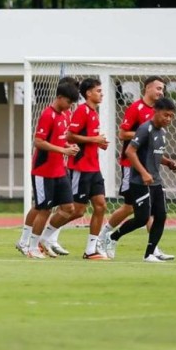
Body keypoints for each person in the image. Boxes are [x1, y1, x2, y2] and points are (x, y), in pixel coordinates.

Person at [100, 76, 173, 260]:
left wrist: (168, 161)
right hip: (131, 166)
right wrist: (144, 134)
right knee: (130, 207)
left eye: (162, 89)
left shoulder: (160, 116)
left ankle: (152, 249)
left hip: (149, 169)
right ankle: (106, 234)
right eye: (157, 88)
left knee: (150, 211)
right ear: (147, 88)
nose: (160, 92)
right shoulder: (136, 108)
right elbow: (122, 133)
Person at [22, 83, 81, 259]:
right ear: (60, 97)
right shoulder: (48, 115)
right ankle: (32, 247)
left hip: (59, 170)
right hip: (43, 171)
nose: (70, 106)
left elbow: (58, 140)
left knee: (69, 208)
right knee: (44, 210)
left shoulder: (63, 115)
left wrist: (68, 146)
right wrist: (63, 151)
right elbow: (38, 142)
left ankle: (45, 238)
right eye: (69, 102)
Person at [65, 78, 110, 259]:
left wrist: (100, 143)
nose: (101, 93)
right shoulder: (82, 111)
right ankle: (47, 234)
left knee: (101, 206)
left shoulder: (93, 113)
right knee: (77, 211)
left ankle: (91, 249)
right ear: (88, 93)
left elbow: (89, 139)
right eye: (98, 90)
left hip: (94, 168)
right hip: (81, 168)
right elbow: (70, 136)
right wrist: (94, 140)